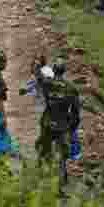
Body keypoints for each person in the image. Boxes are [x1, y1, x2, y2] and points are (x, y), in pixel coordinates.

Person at [36, 59, 81, 189]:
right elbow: (76, 112)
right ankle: (60, 185)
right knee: (62, 156)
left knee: (44, 151)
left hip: (47, 121)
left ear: (54, 70)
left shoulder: (46, 83)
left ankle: (38, 178)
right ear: (64, 71)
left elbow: (38, 79)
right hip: (63, 124)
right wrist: (72, 127)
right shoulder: (71, 88)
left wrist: (39, 66)